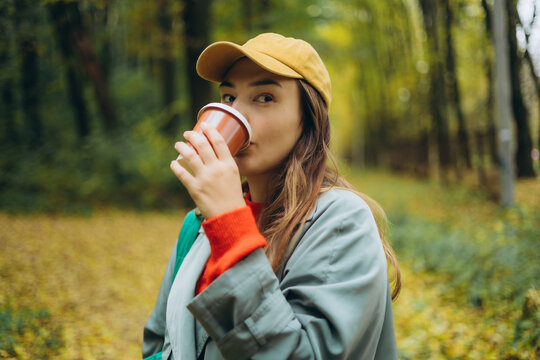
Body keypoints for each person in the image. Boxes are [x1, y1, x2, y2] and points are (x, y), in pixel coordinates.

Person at [143, 33, 401, 360]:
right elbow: (159, 341)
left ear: (308, 119)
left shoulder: (340, 220)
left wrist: (231, 229)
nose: (237, 114)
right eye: (229, 97)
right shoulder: (197, 225)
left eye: (264, 97)